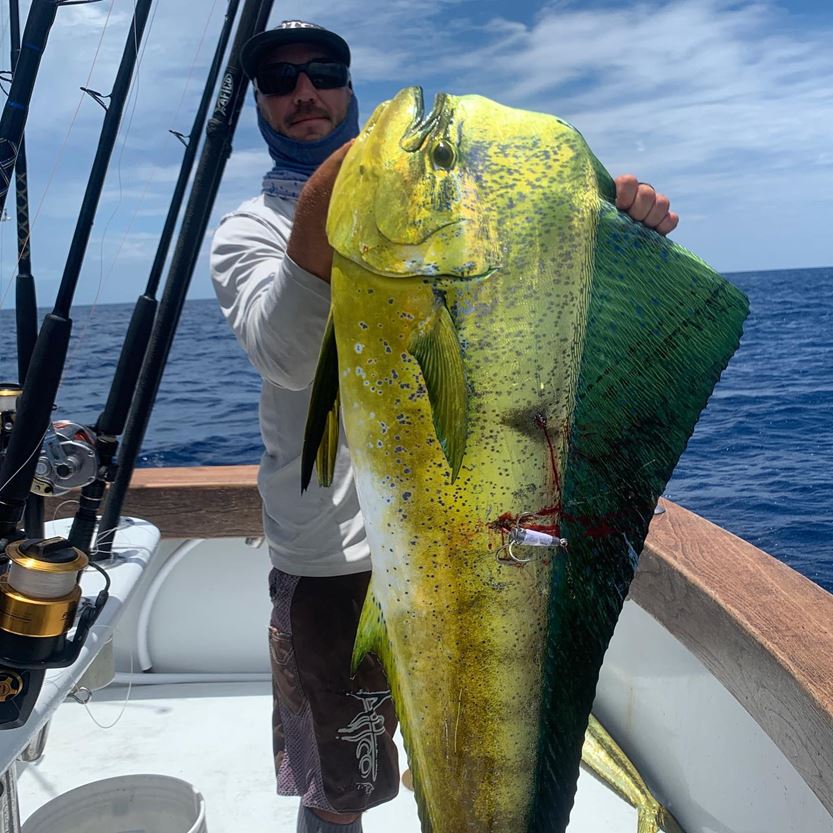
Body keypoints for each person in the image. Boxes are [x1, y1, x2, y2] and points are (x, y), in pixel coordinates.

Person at [211, 20, 679, 833]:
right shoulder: (248, 230)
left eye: (322, 73)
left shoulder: (451, 212)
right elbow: (284, 353)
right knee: (340, 785)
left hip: (475, 546)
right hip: (330, 557)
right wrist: (347, 188)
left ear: (348, 89)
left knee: (487, 762)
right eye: (281, 82)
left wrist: (618, 230)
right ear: (260, 106)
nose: (304, 93)